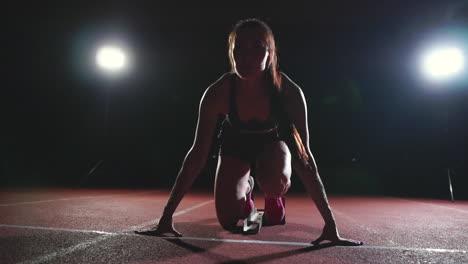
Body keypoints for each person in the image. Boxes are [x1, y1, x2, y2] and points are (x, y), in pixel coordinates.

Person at [137, 18, 363, 246]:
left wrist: (330, 224)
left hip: (272, 146)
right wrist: (166, 217)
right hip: (235, 145)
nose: (246, 56)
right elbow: (197, 155)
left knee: (274, 182)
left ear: (270, 54)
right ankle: (248, 188)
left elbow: (305, 159)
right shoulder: (219, 92)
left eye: (256, 47)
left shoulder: (289, 93)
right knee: (227, 220)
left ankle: (273, 195)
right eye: (240, 49)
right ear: (231, 53)